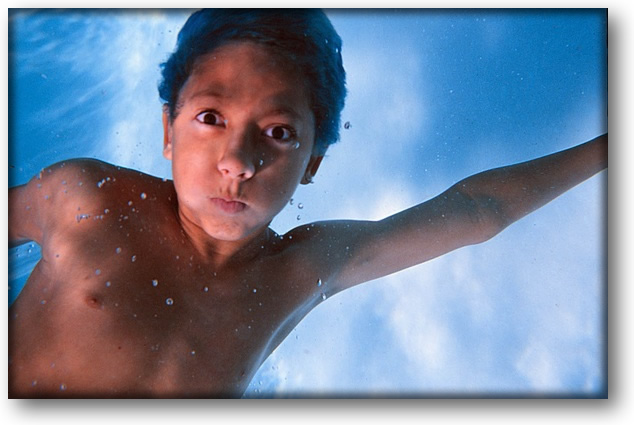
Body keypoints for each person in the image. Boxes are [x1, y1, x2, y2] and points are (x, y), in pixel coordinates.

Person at [8, 9, 607, 398]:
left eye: (279, 133)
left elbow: (477, 210)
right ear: (168, 130)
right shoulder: (88, 199)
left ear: (313, 162)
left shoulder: (299, 269)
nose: (238, 160)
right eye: (211, 117)